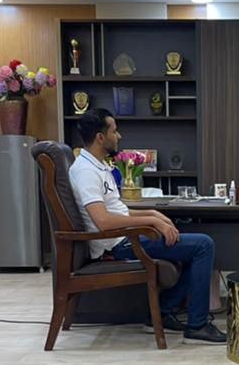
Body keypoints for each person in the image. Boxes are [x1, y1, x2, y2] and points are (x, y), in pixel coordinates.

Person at [70, 109, 225, 344]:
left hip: (123, 237)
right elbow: (103, 221)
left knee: (192, 245)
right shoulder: (85, 171)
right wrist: (151, 221)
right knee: (203, 245)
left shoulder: (97, 166)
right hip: (118, 245)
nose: (119, 136)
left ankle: (161, 313)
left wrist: (152, 214)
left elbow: (117, 211)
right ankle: (197, 326)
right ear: (100, 137)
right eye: (114, 131)